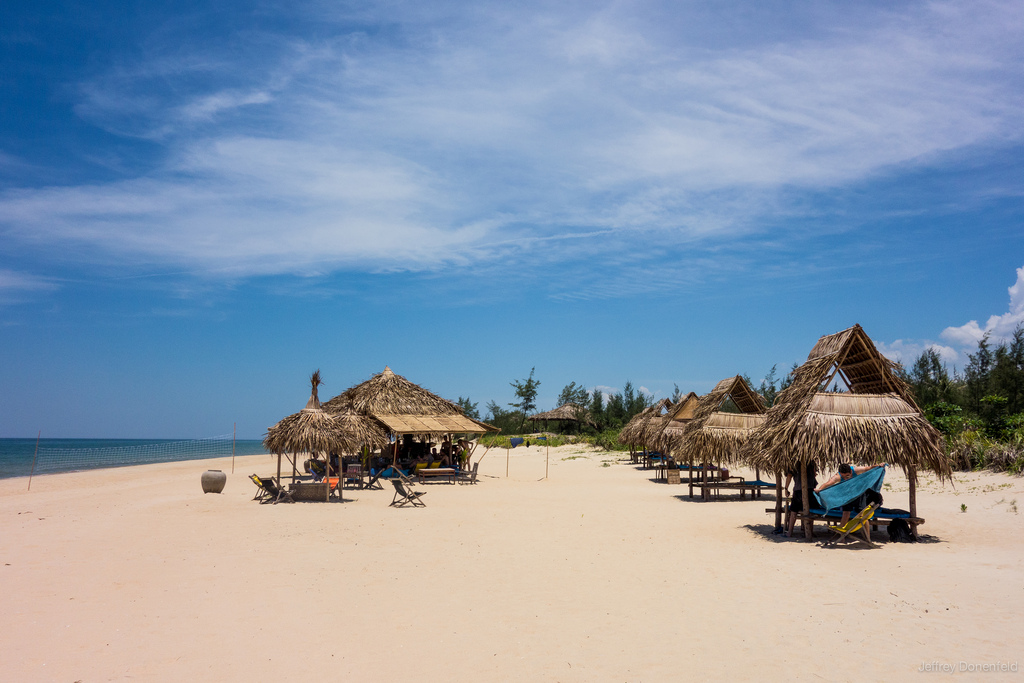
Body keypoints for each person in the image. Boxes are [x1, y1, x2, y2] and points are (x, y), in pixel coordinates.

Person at [815, 463, 885, 524]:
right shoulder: (837, 476)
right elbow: (827, 484)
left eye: (847, 476)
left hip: (859, 494)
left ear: (851, 471)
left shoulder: (856, 470)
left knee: (862, 514)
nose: (845, 478)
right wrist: (819, 489)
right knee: (846, 513)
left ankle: (867, 537)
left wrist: (879, 465)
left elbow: (869, 468)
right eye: (843, 477)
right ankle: (841, 534)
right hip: (846, 495)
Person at [783, 461, 817, 537]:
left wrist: (786, 488)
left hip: (798, 489)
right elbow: (814, 474)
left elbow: (789, 475)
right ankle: (810, 531)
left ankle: (789, 532)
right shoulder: (811, 461)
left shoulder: (793, 462)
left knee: (794, 511)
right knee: (810, 511)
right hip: (811, 489)